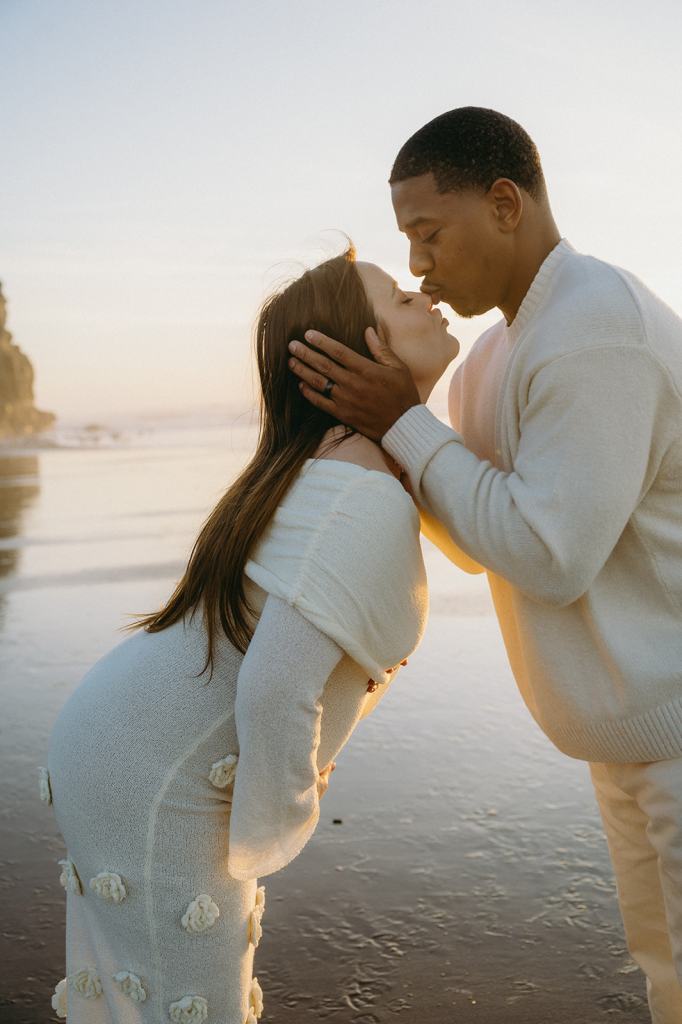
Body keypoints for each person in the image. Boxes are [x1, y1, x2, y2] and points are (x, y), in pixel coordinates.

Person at [288, 106, 682, 1024]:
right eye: (407, 242)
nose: (419, 263)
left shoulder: (595, 328)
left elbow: (548, 558)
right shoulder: (493, 356)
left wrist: (403, 423)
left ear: (505, 203)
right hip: (629, 736)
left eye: (430, 232)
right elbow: (478, 539)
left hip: (677, 732)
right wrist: (388, 424)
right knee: (664, 972)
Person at [37, 243, 460, 1024]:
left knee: (142, 1000)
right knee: (187, 1004)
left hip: (125, 742)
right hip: (153, 775)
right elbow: (276, 686)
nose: (428, 298)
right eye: (401, 299)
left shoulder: (333, 464)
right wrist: (281, 825)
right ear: (354, 353)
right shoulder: (356, 491)